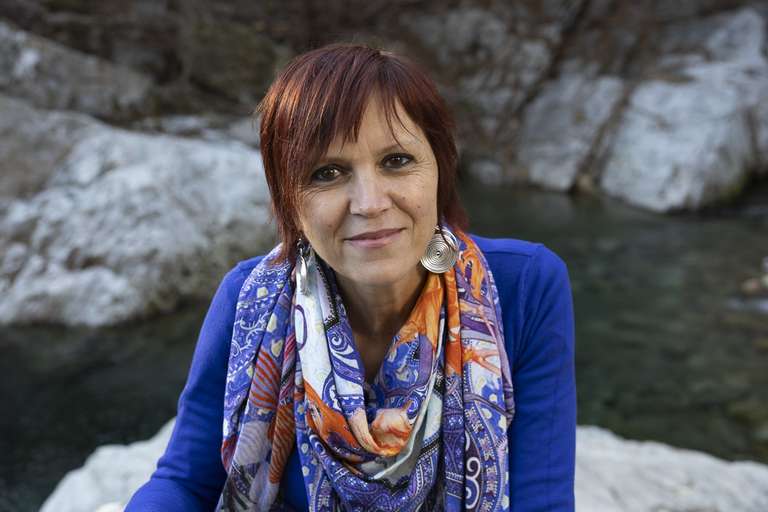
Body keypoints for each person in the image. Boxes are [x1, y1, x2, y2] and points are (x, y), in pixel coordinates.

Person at [126, 43, 576, 511]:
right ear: (289, 201)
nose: (370, 203)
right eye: (327, 172)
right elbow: (185, 483)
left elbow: (543, 503)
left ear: (440, 169)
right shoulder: (250, 300)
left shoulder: (523, 286)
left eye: (396, 161)